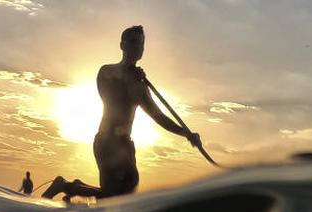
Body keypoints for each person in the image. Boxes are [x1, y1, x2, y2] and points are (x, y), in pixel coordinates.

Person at [43, 25, 200, 201]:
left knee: (127, 190)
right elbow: (111, 100)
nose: (137, 47)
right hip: (107, 141)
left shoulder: (141, 86)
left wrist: (186, 133)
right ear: (122, 45)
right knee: (114, 198)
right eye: (132, 42)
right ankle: (66, 186)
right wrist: (129, 79)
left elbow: (158, 116)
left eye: (141, 44)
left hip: (125, 144)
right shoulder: (106, 72)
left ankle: (69, 186)